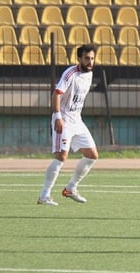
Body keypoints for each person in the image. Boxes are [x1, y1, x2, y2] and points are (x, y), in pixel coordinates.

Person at [39, 44, 100, 205]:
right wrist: (57, 116)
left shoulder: (90, 74)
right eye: (87, 58)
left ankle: (71, 188)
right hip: (64, 120)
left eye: (92, 58)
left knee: (92, 155)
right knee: (61, 156)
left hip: (77, 120)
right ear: (79, 58)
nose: (90, 62)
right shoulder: (70, 73)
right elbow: (57, 94)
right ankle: (44, 195)